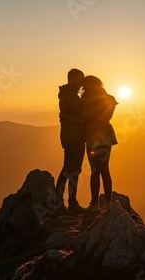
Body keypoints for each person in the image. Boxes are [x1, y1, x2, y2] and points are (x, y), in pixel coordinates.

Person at [80, 75, 118, 212]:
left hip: (92, 136)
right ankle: (108, 202)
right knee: (105, 169)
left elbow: (84, 116)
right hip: (106, 136)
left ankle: (94, 204)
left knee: (95, 170)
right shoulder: (109, 99)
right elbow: (107, 115)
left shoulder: (85, 100)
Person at [55, 68, 86, 213]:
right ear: (72, 79)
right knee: (70, 170)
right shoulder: (70, 96)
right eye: (80, 80)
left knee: (72, 170)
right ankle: (62, 203)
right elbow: (82, 117)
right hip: (74, 137)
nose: (81, 84)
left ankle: (69, 202)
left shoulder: (68, 94)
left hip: (74, 137)